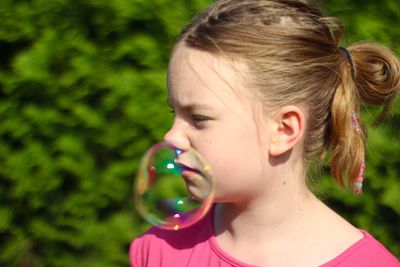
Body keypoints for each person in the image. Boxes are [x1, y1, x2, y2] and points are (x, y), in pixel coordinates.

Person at [130, 0, 400, 266]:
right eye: (173, 113)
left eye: (198, 119)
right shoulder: (157, 251)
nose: (171, 136)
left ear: (283, 130)